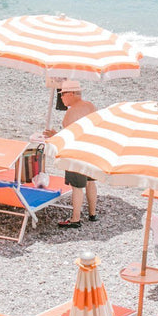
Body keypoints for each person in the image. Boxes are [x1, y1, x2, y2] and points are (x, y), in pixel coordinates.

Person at [44, 80, 98, 228]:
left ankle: (75, 219)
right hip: (92, 150)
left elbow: (69, 137)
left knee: (77, 186)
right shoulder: (91, 106)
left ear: (71, 94)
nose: (61, 98)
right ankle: (92, 214)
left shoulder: (71, 112)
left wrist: (54, 136)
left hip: (77, 153)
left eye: (62, 95)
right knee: (90, 182)